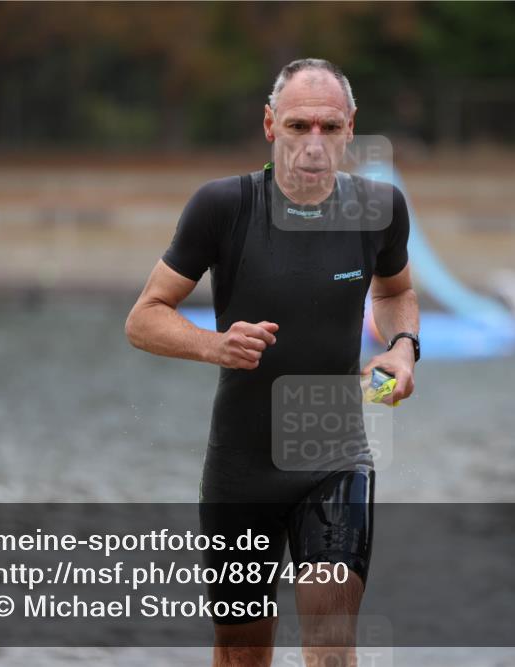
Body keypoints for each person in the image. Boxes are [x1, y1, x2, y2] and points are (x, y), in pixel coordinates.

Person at [125, 58, 419, 667]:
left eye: (330, 127)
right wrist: (215, 345)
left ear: (350, 127)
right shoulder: (222, 206)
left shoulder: (381, 208)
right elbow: (144, 318)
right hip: (242, 468)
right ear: (269, 125)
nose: (314, 143)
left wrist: (402, 347)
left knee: (331, 641)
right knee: (242, 654)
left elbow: (396, 292)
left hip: (335, 456)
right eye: (298, 125)